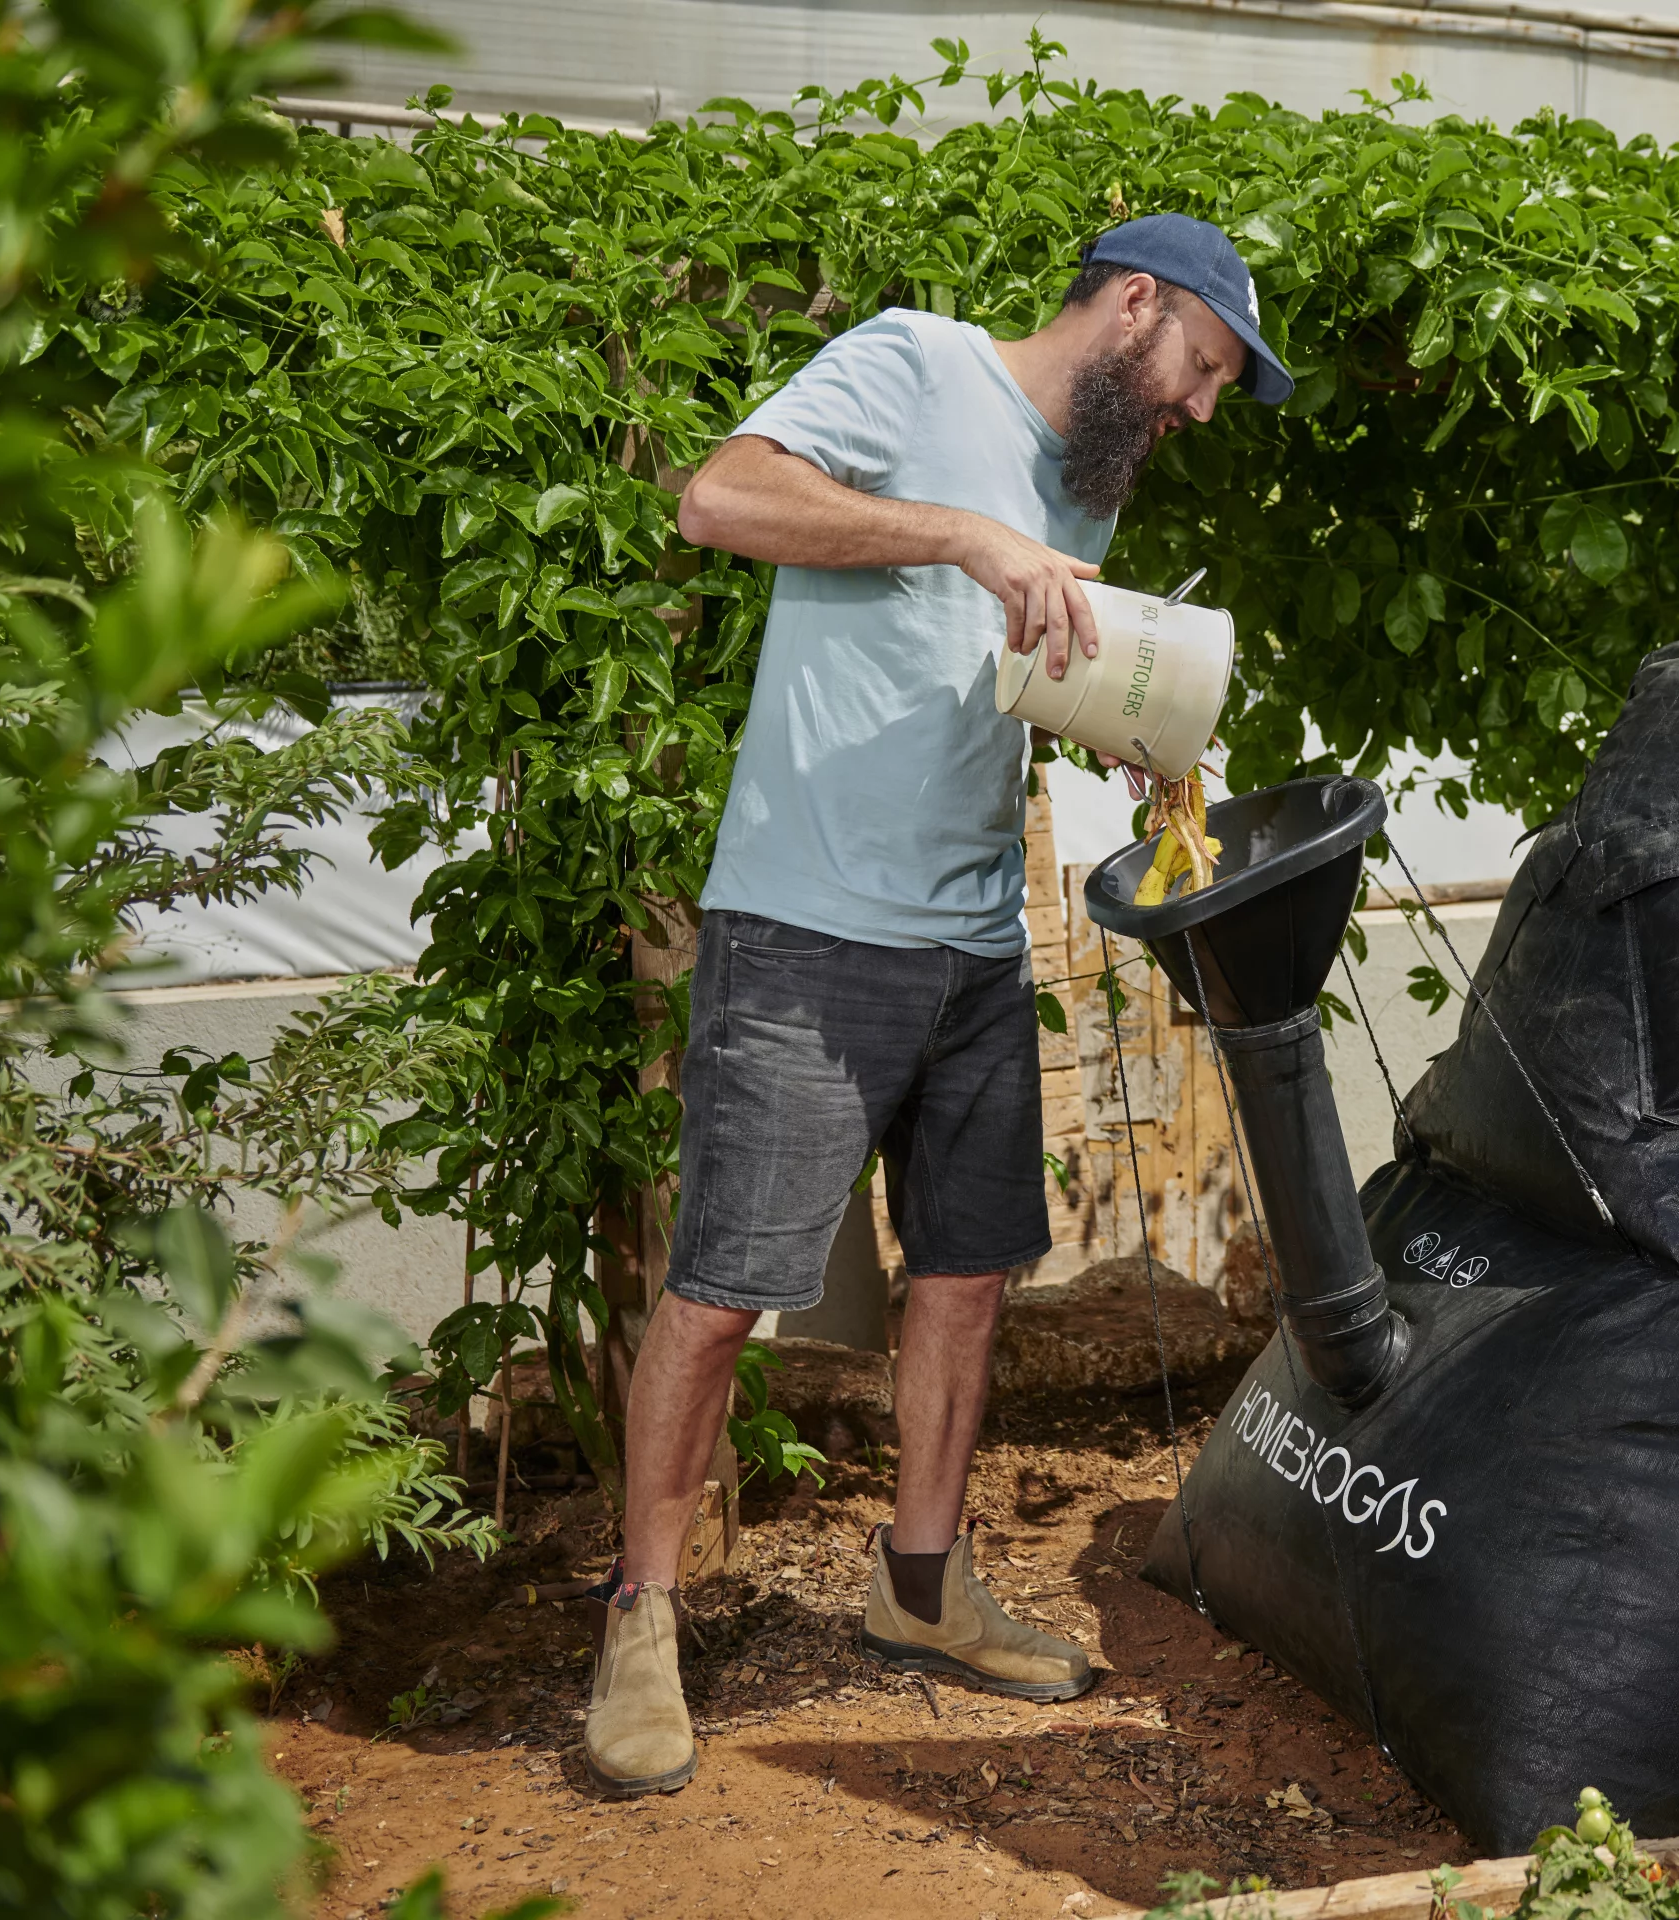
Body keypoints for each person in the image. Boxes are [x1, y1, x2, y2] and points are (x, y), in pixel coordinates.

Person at [580, 214, 1293, 1798]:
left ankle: (922, 1586)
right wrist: (965, 537)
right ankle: (642, 1619)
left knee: (967, 1278)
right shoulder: (917, 363)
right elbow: (717, 497)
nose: (1191, 410)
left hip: (975, 941)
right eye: (1198, 371)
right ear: (1135, 305)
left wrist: (1121, 722)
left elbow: (978, 678)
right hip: (808, 928)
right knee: (720, 1292)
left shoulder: (1077, 489)